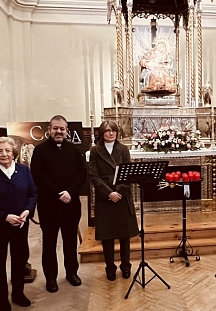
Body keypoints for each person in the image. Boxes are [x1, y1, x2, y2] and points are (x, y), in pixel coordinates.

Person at [0, 137, 37, 311]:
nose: (4, 154)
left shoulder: (24, 171)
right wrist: (4, 217)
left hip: (20, 225)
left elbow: (32, 194)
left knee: (19, 260)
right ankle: (2, 299)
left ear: (13, 153)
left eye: (7, 151)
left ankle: (18, 293)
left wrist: (27, 210)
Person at [30, 115, 88, 293]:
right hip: (49, 205)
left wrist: (70, 191)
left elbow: (82, 173)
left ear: (67, 131)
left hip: (71, 204)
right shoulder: (40, 151)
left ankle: (72, 273)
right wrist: (58, 193)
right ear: (49, 130)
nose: (59, 131)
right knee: (49, 243)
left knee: (70, 241)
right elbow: (38, 176)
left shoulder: (74, 150)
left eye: (62, 129)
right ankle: (51, 278)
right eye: (55, 128)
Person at [88, 120, 139, 281]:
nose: (111, 133)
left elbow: (129, 172)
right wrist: (109, 193)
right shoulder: (95, 151)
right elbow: (93, 176)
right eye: (107, 131)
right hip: (105, 198)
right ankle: (110, 267)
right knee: (107, 236)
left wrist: (119, 191)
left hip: (122, 196)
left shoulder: (123, 149)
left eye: (113, 131)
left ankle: (126, 266)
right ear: (102, 133)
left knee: (124, 235)